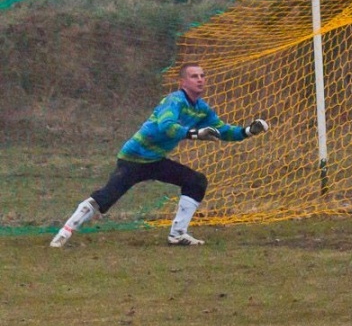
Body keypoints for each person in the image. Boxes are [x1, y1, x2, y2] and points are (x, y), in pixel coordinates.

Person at [50, 63, 269, 247]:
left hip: (155, 161)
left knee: (196, 181)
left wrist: (247, 131)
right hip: (134, 158)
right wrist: (195, 134)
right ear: (183, 82)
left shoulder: (201, 108)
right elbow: (166, 126)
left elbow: (222, 130)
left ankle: (177, 235)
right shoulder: (173, 101)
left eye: (202, 76)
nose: (200, 80)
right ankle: (64, 233)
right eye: (194, 76)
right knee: (105, 198)